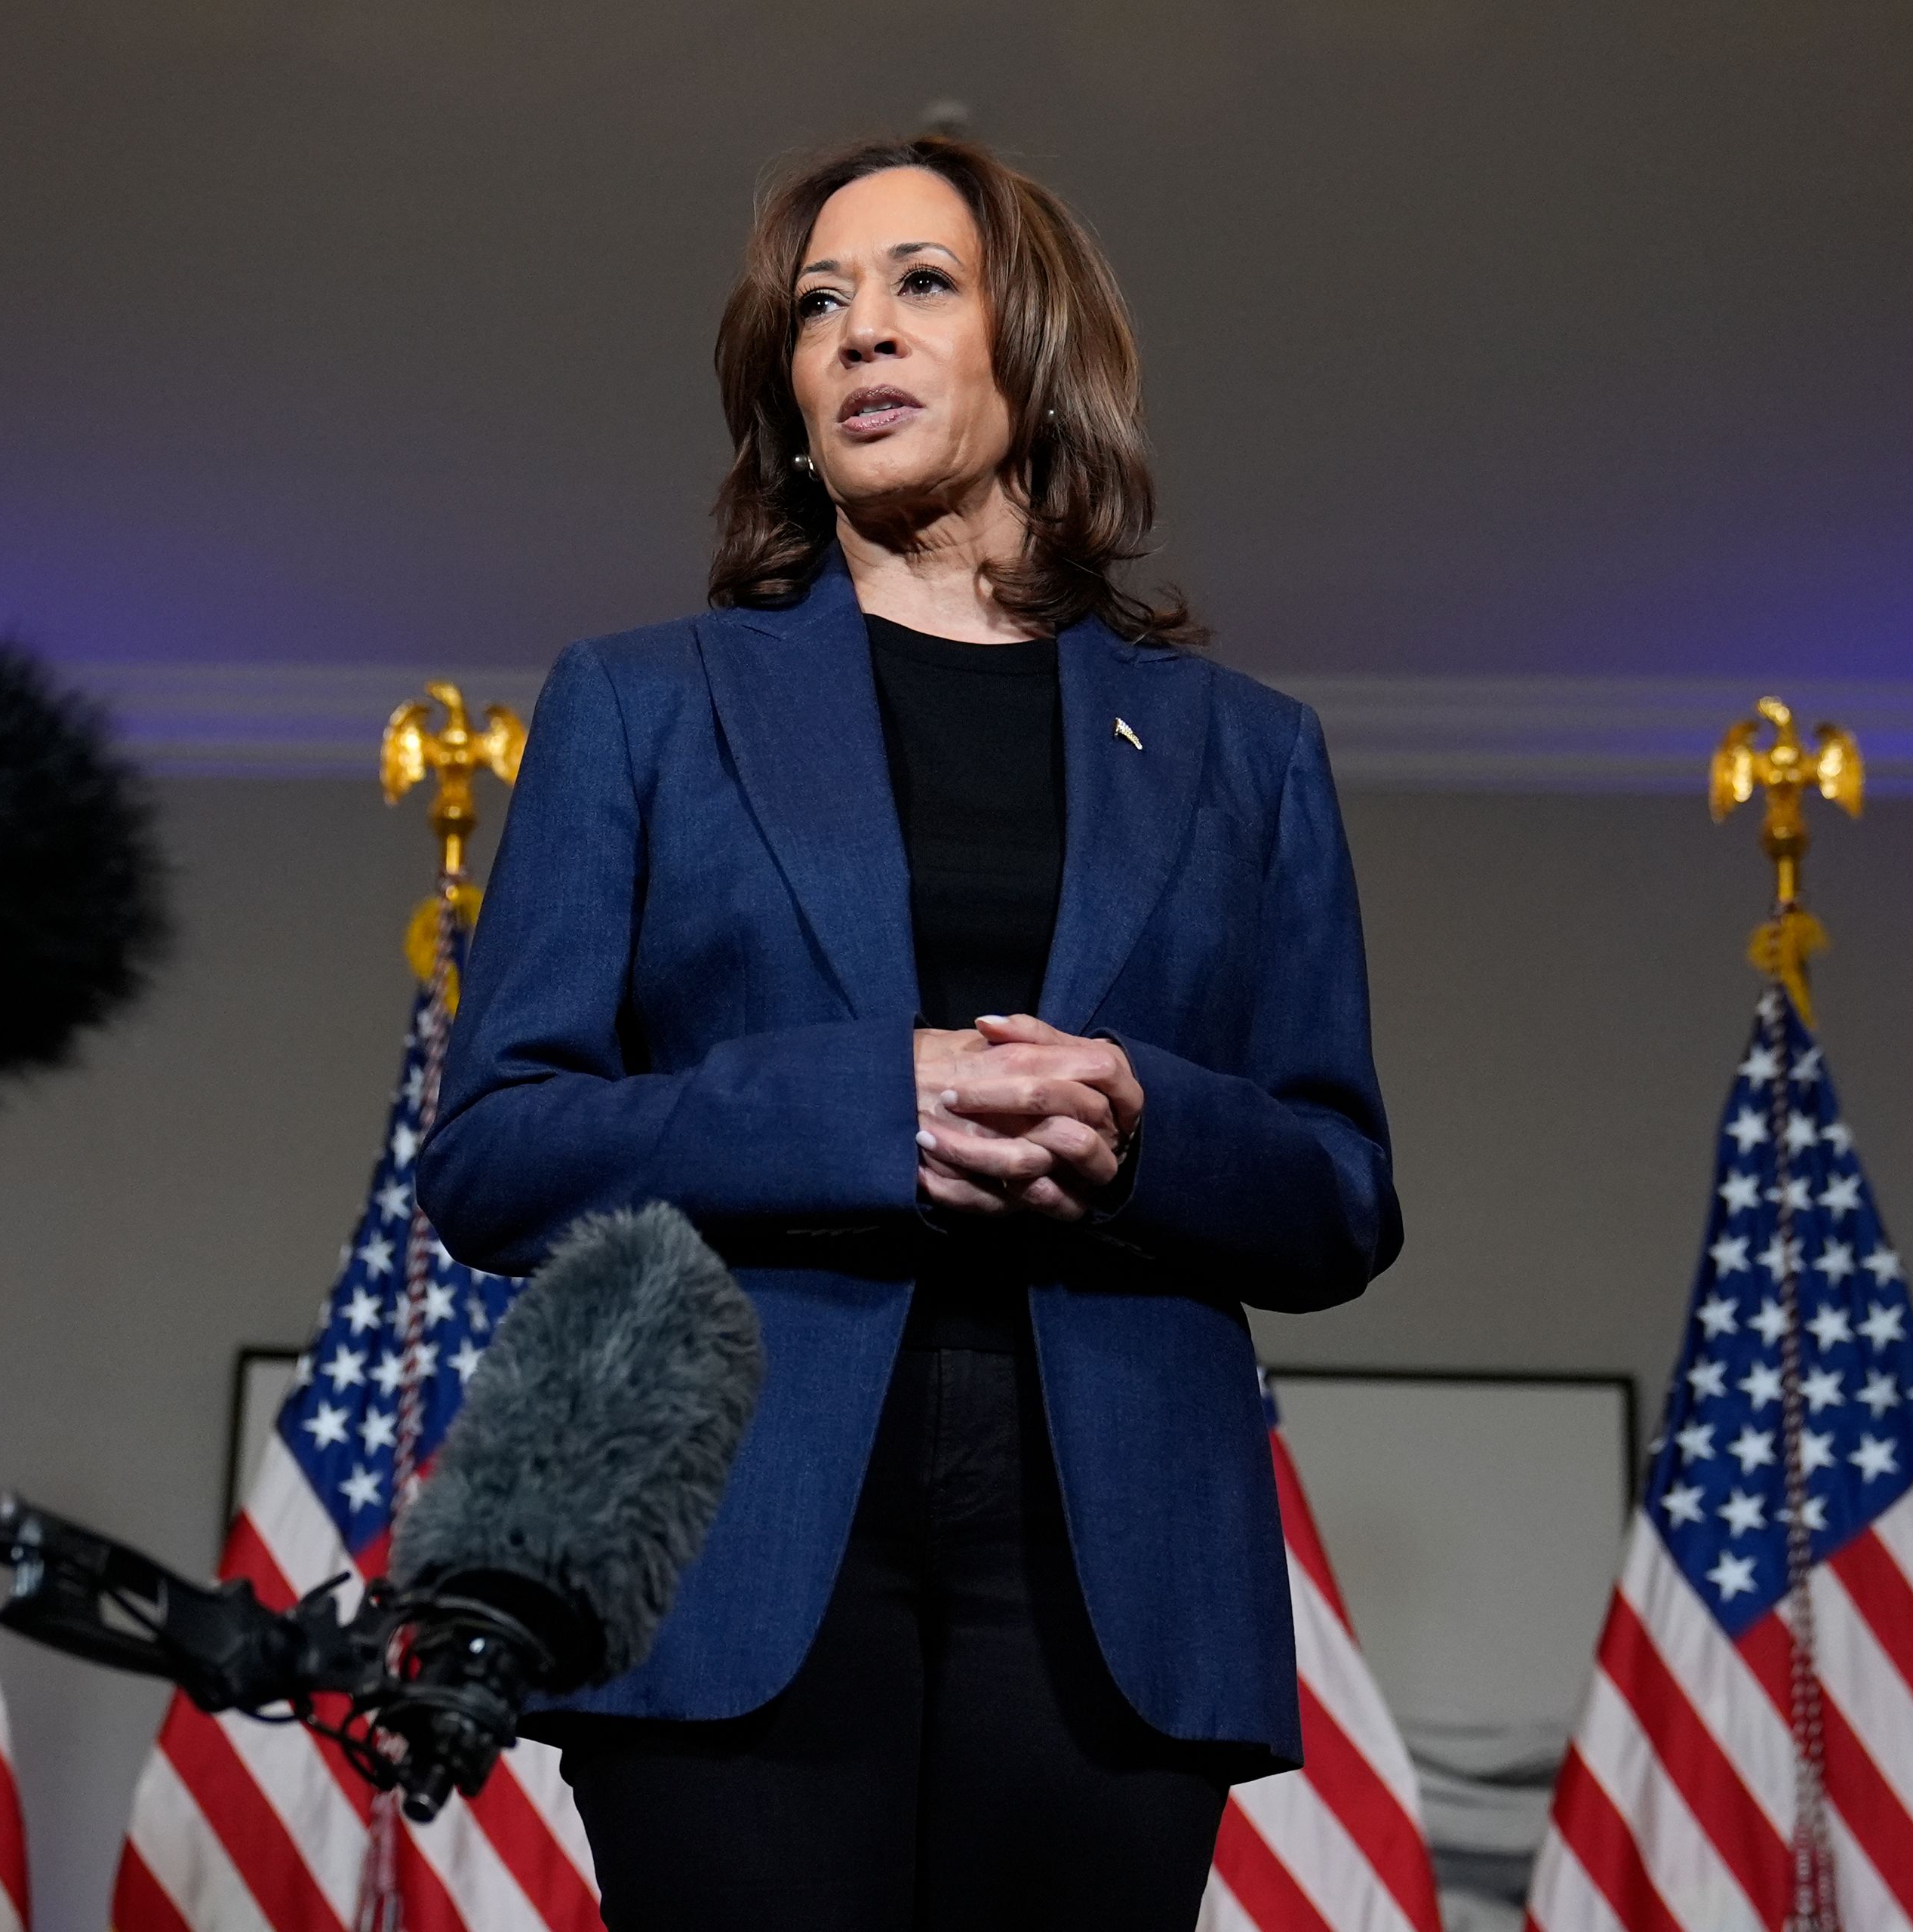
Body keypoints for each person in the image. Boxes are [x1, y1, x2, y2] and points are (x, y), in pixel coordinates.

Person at [413, 135, 1400, 1930]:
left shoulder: (1246, 752)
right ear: (786, 398)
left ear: (1037, 349)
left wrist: (1140, 1122)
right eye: (818, 306)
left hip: (1111, 1563)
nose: (860, 331)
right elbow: (495, 1150)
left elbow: (1339, 1189)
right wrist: (863, 1104)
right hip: (735, 1524)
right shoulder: (642, 704)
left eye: (920, 284)